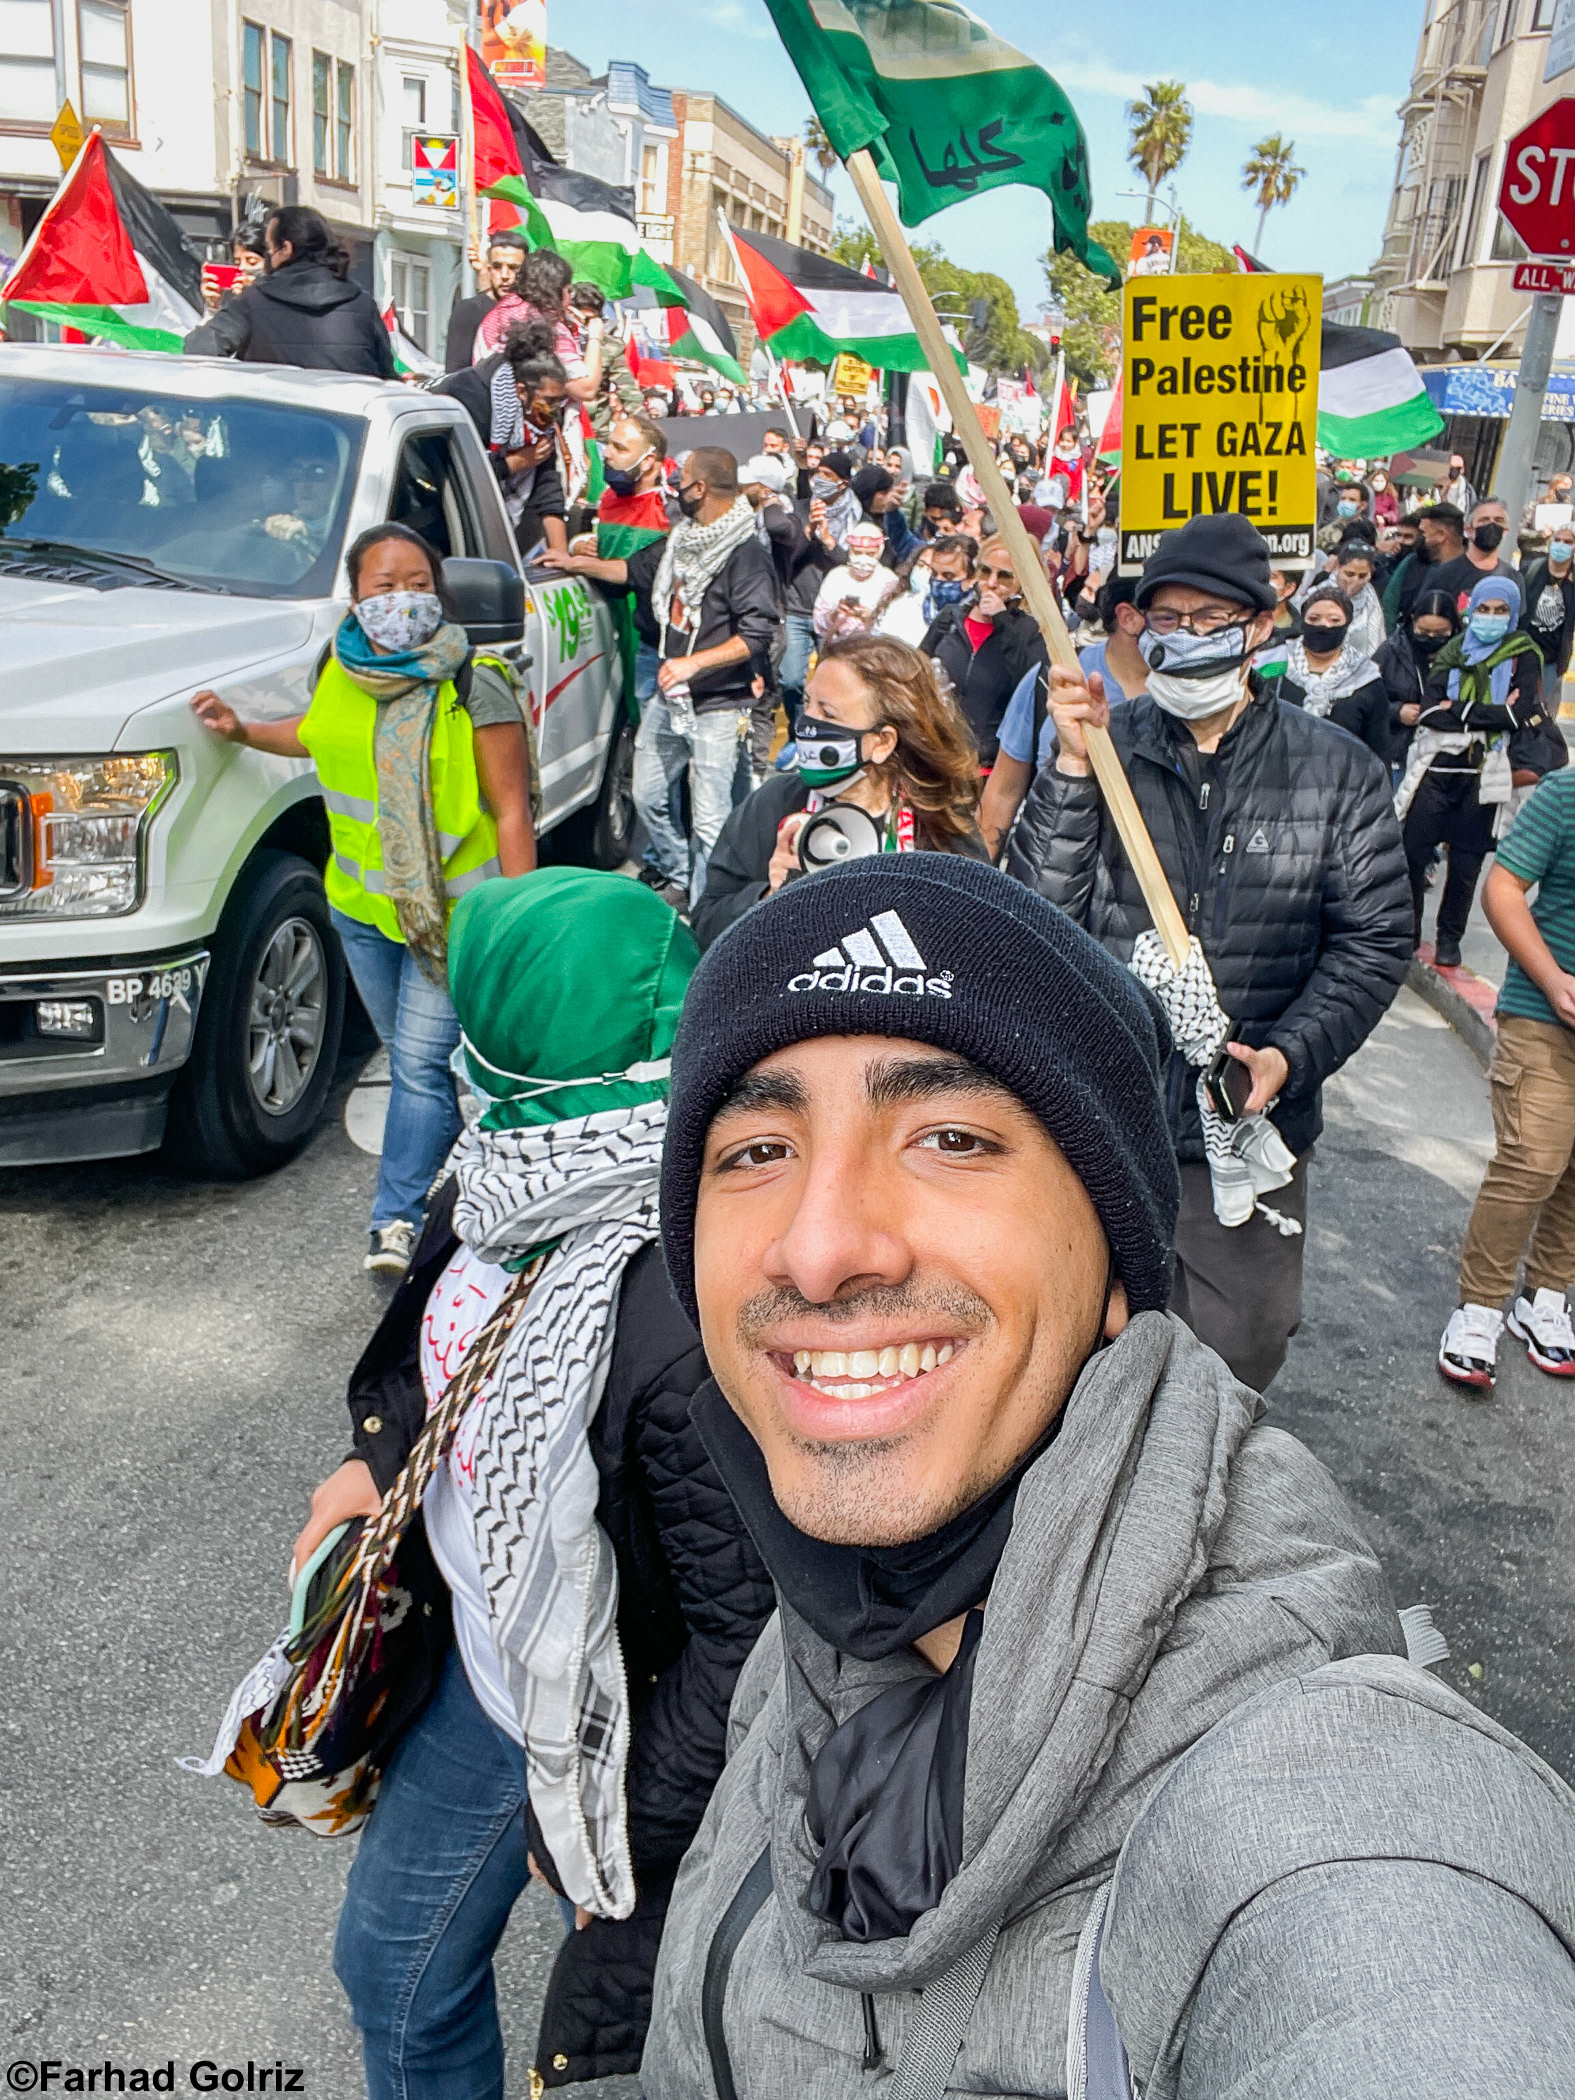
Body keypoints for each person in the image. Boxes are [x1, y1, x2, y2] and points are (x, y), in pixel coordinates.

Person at [644, 852, 1575, 2100]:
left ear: (1119, 1267)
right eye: (756, 1150)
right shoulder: (819, 1616)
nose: (819, 1251)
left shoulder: (1329, 1811)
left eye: (952, 1137)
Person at [305, 867, 774, 2098]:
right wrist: (373, 1464)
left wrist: (607, 1829)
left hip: (601, 1720)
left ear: (518, 1034)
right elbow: (438, 1346)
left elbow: (747, 1643)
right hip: (483, 1661)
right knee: (390, 1973)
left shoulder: (685, 1302)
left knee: (557, 2035)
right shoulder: (514, 1158)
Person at [1006, 513, 1412, 1391]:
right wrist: (1070, 770)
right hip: (1104, 1110)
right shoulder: (1104, 749)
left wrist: (1289, 1055)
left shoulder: (1335, 770)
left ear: (1259, 627)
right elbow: (1036, 917)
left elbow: (1374, 938)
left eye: (1209, 621)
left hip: (1242, 1114)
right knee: (1080, 1344)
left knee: (1241, 1345)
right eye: (1166, 619)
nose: (1184, 637)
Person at [189, 522, 536, 1269]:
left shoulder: (474, 683)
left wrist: (521, 921)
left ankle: (397, 1218)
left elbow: (511, 809)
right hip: (360, 913)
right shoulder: (339, 665)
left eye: (419, 584)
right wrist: (242, 730)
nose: (403, 601)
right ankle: (466, 1169)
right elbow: (319, 734)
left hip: (451, 919)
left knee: (418, 1068)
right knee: (419, 1063)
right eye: (385, 586)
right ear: (356, 598)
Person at [544, 447, 779, 897]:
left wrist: (694, 663)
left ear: (700, 488)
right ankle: (679, 872)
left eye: (682, 479)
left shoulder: (746, 553)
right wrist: (573, 561)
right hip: (670, 699)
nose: (675, 487)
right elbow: (631, 570)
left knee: (710, 820)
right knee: (647, 793)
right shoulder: (680, 540)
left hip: (719, 702)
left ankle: (708, 911)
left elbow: (756, 634)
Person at [691, 632, 985, 948]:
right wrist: (767, 897)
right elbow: (706, 923)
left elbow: (977, 936)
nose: (807, 724)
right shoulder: (774, 803)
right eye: (808, 703)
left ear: (882, 742)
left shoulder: (937, 824)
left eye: (828, 713)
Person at [1439, 772, 1575, 1387]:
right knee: (1532, 1162)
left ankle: (1546, 1294)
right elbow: (1504, 887)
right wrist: (1554, 981)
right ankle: (1479, 1307)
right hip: (1546, 1015)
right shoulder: (1564, 795)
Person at [1397, 575, 1554, 967]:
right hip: (1438, 767)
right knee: (1413, 852)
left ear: (1513, 614)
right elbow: (1430, 712)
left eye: (1501, 611)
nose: (1491, 617)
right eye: (1484, 609)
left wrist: (1459, 709)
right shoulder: (1454, 650)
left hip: (1485, 772)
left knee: (1466, 863)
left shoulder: (1522, 653)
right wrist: (1491, 714)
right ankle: (1409, 933)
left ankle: (1449, 939)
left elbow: (1519, 716)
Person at [978, 571, 1150, 858]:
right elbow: (1003, 792)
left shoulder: (1199, 700)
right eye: (1169, 614)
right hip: (1053, 866)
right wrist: (977, 874)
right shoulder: (1054, 679)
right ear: (1129, 618)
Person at [183, 205, 395, 378]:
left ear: (285, 248)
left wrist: (213, 310)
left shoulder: (252, 301)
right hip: (347, 416)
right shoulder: (362, 304)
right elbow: (386, 375)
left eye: (269, 248)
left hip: (271, 414)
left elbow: (198, 350)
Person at [442, 318, 570, 557]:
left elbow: (547, 481)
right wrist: (516, 463)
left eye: (561, 400)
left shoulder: (545, 416)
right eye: (550, 401)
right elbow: (458, 472)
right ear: (521, 391)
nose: (556, 411)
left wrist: (560, 551)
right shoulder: (472, 397)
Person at [921, 536, 1048, 770]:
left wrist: (1002, 619)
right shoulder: (950, 618)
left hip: (990, 765)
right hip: (939, 757)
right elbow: (916, 667)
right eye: (985, 571)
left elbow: (1030, 686)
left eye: (1004, 576)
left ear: (1021, 583)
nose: (991, 583)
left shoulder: (1028, 631)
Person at [1275, 584, 1392, 760]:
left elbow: (1378, 747)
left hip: (1344, 774)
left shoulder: (1365, 678)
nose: (1323, 625)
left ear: (1347, 624)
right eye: (1314, 618)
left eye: (1334, 620)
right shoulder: (1275, 663)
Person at [1375, 589, 1459, 766]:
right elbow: (1367, 701)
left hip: (1449, 753)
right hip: (1399, 752)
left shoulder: (1465, 656)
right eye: (1423, 631)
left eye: (1440, 633)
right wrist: (1397, 712)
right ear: (1412, 621)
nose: (1431, 638)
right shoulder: (1390, 652)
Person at [569, 281, 642, 438]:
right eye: (578, 318)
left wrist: (645, 427)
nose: (581, 325)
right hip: (564, 427)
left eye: (589, 320)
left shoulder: (610, 347)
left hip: (595, 432)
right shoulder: (558, 342)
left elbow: (629, 392)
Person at [443, 233, 527, 371]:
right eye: (497, 267)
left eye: (513, 268)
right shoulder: (470, 310)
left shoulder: (533, 312)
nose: (504, 275)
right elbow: (456, 372)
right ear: (489, 269)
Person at [812, 521, 899, 645]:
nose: (863, 559)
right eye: (857, 552)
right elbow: (819, 621)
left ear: (879, 552)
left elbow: (894, 624)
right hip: (837, 646)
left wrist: (870, 616)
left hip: (871, 647)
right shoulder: (836, 575)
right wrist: (836, 614)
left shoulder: (889, 581)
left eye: (870, 554)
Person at [1520, 524, 1575, 714]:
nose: (1561, 545)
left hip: (1552, 659)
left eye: (1568, 542)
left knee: (1542, 711)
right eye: (1557, 540)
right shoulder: (1531, 570)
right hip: (1522, 652)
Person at [851, 463, 922, 570]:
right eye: (884, 493)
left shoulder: (891, 517)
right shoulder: (850, 518)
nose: (889, 497)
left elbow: (905, 545)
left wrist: (893, 512)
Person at [199, 218, 267, 313]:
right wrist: (212, 305)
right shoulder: (229, 297)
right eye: (237, 263)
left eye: (252, 262)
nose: (242, 268)